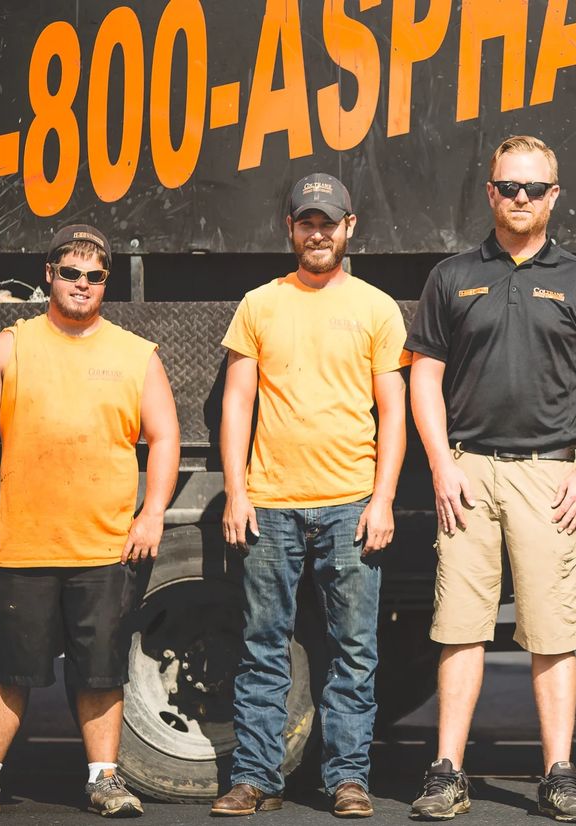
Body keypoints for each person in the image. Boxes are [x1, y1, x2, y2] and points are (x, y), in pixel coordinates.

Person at [405, 135, 576, 822]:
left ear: (554, 196)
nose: (519, 198)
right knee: (459, 629)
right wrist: (441, 463)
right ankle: (447, 773)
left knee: (553, 632)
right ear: (490, 192)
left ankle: (559, 774)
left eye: (533, 188)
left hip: (548, 477)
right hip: (467, 471)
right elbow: (425, 377)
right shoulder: (452, 275)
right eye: (507, 187)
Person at [0, 224, 180, 819]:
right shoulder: (9, 345)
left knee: (100, 672)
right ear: (49, 274)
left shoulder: (136, 354)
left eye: (95, 275)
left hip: (103, 547)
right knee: (7, 670)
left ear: (106, 282)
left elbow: (165, 436)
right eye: (71, 272)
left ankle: (105, 780)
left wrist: (151, 513)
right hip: (22, 543)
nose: (82, 284)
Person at [213, 174, 408, 818]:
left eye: (329, 222)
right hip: (269, 503)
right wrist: (236, 493)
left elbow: (392, 413)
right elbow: (237, 405)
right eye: (306, 222)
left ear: (350, 227)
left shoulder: (378, 307)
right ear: (290, 229)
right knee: (263, 645)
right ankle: (254, 777)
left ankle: (347, 779)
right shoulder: (259, 304)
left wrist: (382, 501)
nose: (317, 233)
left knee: (354, 651)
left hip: (351, 503)